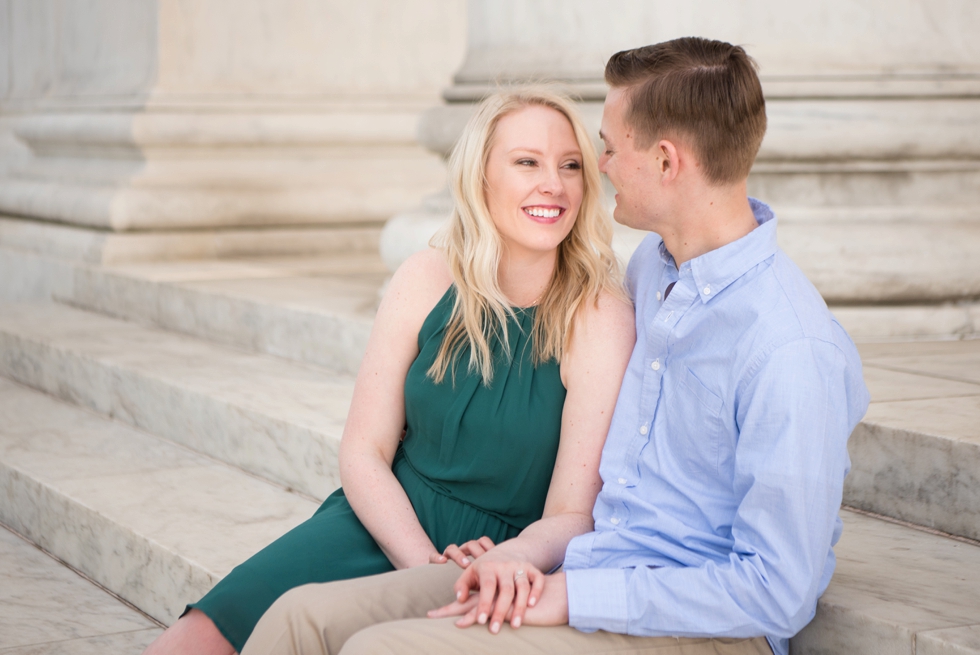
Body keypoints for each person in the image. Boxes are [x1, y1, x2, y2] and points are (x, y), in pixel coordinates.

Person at [239, 37, 871, 655]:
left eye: (607, 148)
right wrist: (518, 560)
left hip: (690, 624)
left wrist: (572, 597)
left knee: (382, 648)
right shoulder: (655, 268)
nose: (597, 168)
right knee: (302, 619)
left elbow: (778, 593)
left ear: (667, 161)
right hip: (589, 570)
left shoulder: (789, 349)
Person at [141, 88, 634, 655]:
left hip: (496, 557)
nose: (553, 184)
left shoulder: (598, 315)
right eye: (527, 162)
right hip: (382, 517)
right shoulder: (426, 278)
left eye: (570, 166)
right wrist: (418, 562)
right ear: (481, 179)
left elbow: (573, 514)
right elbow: (363, 450)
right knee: (193, 640)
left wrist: (499, 560)